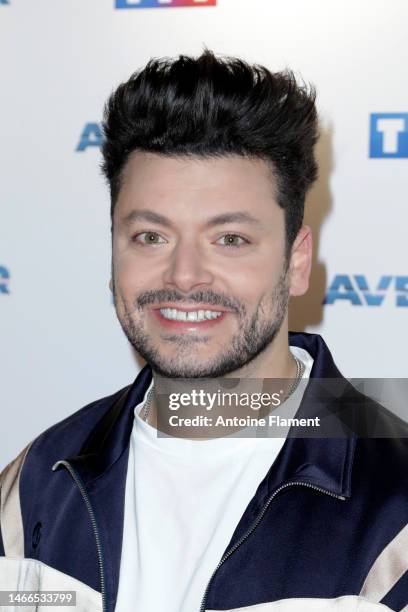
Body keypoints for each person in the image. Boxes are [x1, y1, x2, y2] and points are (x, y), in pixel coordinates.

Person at [0, 50, 407, 612]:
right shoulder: (36, 482)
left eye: (230, 239)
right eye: (151, 236)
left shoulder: (395, 510)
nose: (184, 277)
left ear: (295, 261)